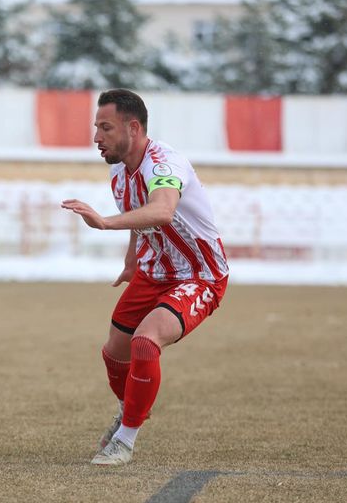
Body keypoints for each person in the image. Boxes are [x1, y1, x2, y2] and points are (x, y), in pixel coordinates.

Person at [61, 89, 228, 466]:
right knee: (113, 354)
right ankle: (131, 409)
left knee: (144, 343)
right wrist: (131, 260)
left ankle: (126, 439)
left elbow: (162, 211)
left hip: (200, 276)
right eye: (96, 127)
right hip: (153, 273)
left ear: (133, 128)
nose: (96, 137)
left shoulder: (164, 163)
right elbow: (141, 217)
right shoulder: (119, 172)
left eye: (106, 127)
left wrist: (104, 223)